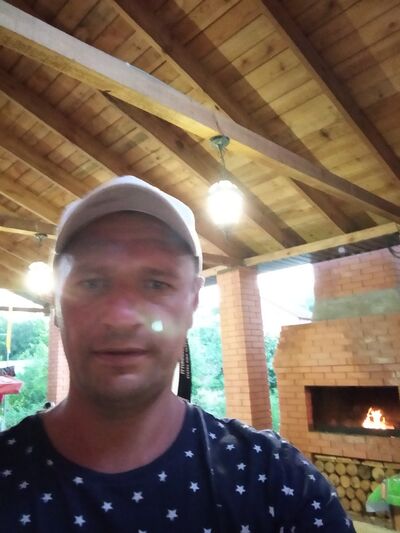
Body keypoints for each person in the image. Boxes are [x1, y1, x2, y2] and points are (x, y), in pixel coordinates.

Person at [0, 176, 355, 532]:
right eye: (92, 282)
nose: (122, 317)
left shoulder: (279, 483)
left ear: (193, 301)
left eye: (156, 284)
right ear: (57, 303)